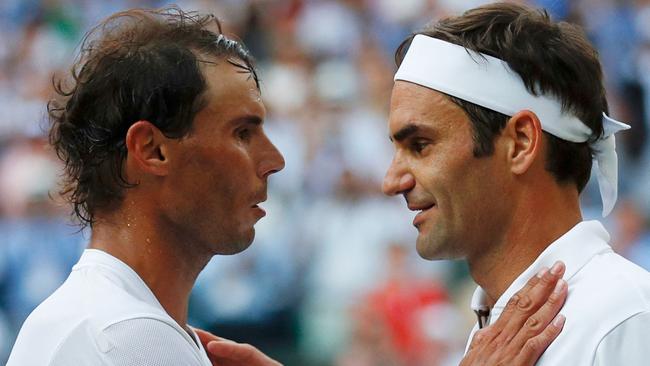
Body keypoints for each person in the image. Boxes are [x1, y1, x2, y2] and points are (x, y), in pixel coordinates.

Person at [7, 6, 566, 366]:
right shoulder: (124, 338)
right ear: (151, 150)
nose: (274, 161)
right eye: (243, 132)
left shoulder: (100, 322)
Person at [383, 2, 650, 365]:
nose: (391, 181)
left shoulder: (625, 318)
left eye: (420, 145)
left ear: (521, 142)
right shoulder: (490, 333)